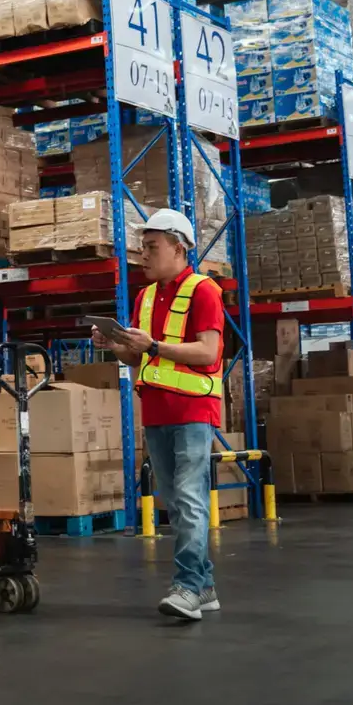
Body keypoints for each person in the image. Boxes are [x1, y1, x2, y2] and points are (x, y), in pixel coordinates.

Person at [91, 208, 225, 622]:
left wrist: (152, 347)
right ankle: (204, 587)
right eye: (142, 248)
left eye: (152, 247)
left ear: (179, 248)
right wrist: (113, 343)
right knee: (177, 501)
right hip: (156, 410)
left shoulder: (204, 291)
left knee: (188, 498)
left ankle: (186, 587)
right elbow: (137, 353)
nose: (143, 256)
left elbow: (209, 352)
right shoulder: (145, 297)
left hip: (193, 410)